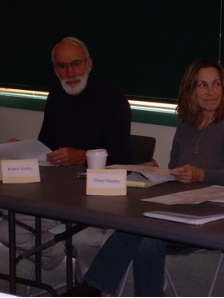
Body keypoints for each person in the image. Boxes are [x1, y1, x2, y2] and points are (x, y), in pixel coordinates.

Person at [62, 57, 224, 296]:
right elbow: (176, 174)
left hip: (214, 214)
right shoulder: (186, 126)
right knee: (143, 228)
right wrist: (159, 171)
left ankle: (92, 288)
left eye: (216, 84)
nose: (210, 91)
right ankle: (94, 288)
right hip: (178, 208)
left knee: (148, 234)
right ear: (190, 90)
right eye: (202, 85)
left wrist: (201, 174)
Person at [0, 37, 132, 283]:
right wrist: (21, 149)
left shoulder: (113, 97)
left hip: (99, 195)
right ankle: (55, 258)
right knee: (7, 229)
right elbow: (46, 147)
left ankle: (89, 288)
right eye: (62, 66)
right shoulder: (56, 96)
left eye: (76, 64)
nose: (70, 73)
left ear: (89, 65)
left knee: (84, 238)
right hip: (58, 193)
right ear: (55, 70)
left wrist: (81, 155)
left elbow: (123, 157)